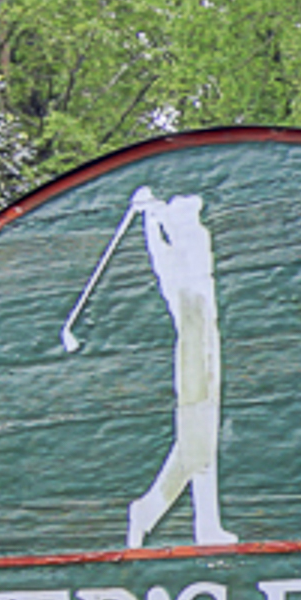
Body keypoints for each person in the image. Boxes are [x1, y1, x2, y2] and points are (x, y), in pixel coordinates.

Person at [124, 186, 235, 549]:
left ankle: (203, 525)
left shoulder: (199, 260)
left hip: (208, 350)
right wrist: (150, 221)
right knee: (196, 450)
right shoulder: (179, 271)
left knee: (200, 449)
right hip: (192, 358)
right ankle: (150, 510)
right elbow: (160, 256)